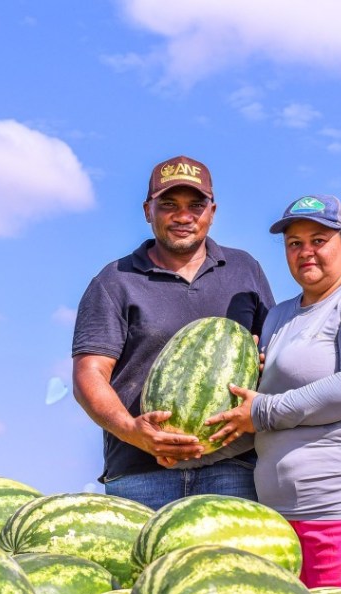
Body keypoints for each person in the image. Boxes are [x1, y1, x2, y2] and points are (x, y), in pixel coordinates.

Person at [205, 193, 341, 588]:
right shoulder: (280, 315)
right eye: (294, 243)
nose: (306, 252)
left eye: (319, 240)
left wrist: (263, 410)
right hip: (281, 523)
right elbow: (258, 404)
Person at [71, 155, 275, 511]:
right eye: (169, 205)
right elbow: (89, 373)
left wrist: (263, 364)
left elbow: (274, 352)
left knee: (230, 568)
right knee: (146, 567)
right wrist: (131, 430)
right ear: (148, 210)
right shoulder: (114, 280)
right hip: (141, 474)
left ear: (212, 211)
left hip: (235, 469)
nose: (183, 217)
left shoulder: (245, 270)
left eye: (195, 205)